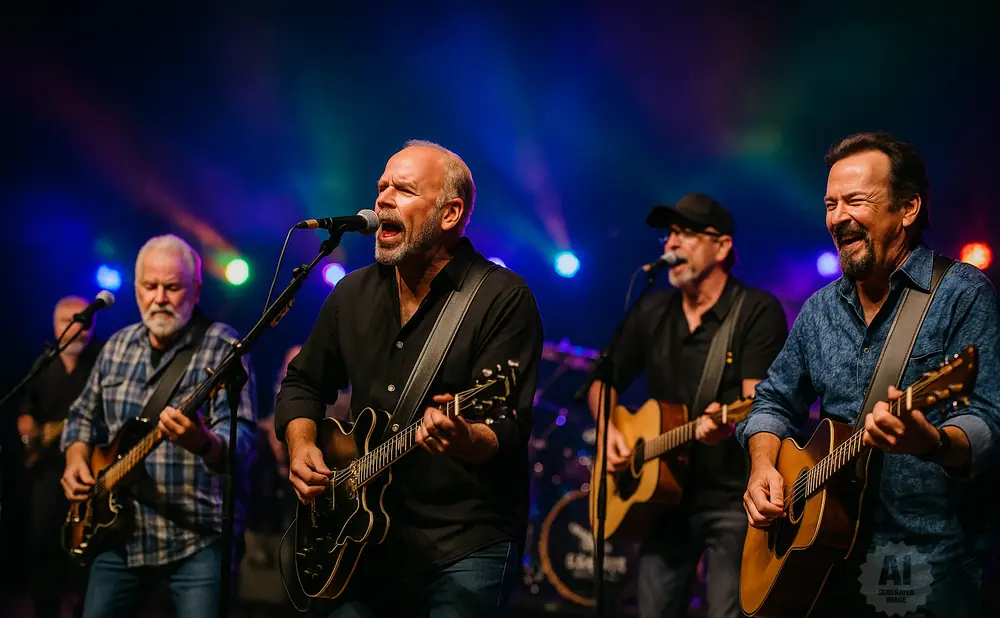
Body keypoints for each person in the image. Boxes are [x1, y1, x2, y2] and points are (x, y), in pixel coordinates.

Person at [274, 139, 544, 617]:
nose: (382, 199)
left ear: (449, 214)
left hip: (462, 542)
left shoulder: (501, 299)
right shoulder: (351, 293)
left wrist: (463, 437)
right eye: (381, 187)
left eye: (403, 189)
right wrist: (301, 446)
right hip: (359, 537)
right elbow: (303, 384)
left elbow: (507, 428)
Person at [739, 131, 1000, 616]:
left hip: (927, 560)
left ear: (908, 209)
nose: (838, 217)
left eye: (855, 201)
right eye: (830, 204)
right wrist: (762, 465)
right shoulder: (819, 310)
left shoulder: (962, 293)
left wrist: (934, 443)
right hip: (823, 561)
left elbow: (989, 420)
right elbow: (772, 400)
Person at [586, 193, 788, 618]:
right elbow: (601, 381)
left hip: (731, 497)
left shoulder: (755, 311)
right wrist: (609, 434)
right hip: (662, 502)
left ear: (722, 246)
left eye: (686, 234)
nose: (671, 244)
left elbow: (760, 402)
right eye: (669, 234)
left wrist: (730, 423)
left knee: (728, 612)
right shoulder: (652, 310)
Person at [60, 234, 258, 617]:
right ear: (136, 290)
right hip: (118, 538)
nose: (160, 298)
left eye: (172, 287)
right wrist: (75, 458)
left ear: (196, 290)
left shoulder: (222, 347)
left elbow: (245, 441)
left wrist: (203, 442)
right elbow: (81, 416)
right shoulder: (116, 346)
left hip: (196, 538)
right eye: (150, 287)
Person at [18, 296, 104, 618]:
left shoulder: (103, 359)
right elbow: (26, 416)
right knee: (42, 545)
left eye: (83, 320)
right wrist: (29, 439)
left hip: (91, 471)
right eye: (68, 320)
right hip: (48, 472)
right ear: (55, 326)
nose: (77, 327)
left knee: (88, 552)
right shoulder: (43, 363)